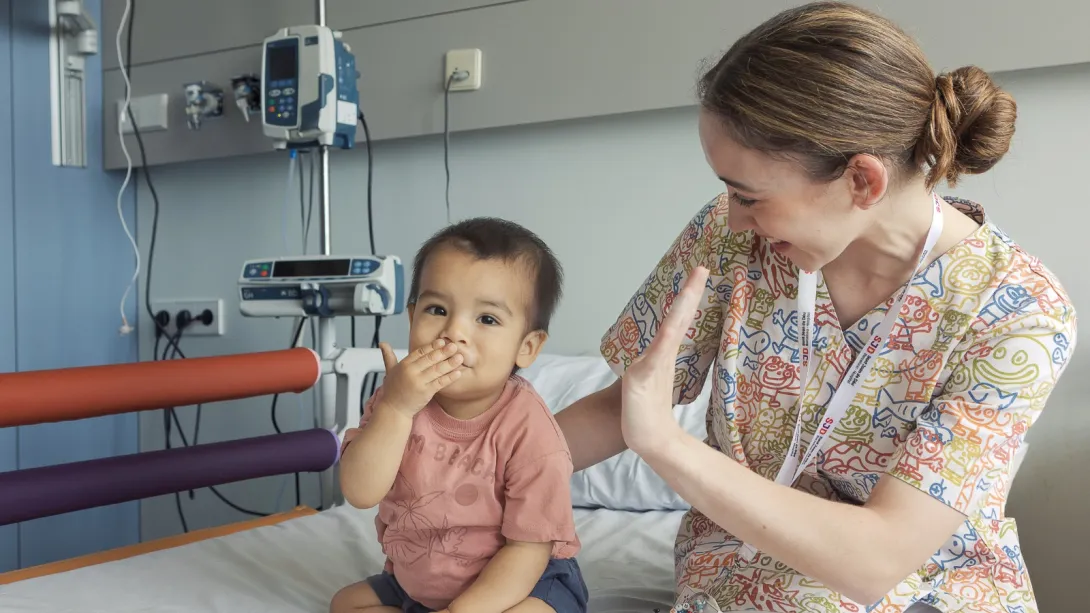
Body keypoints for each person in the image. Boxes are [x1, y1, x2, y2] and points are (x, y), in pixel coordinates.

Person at [554, 3, 1076, 612]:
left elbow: (877, 561)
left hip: (925, 584)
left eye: (749, 196)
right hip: (745, 567)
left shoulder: (1019, 313)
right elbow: (625, 402)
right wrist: (479, 468)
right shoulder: (729, 240)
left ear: (862, 181)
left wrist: (666, 446)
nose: (734, 217)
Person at [330, 218, 588, 613]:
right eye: (437, 310)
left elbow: (529, 548)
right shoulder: (394, 398)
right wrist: (396, 409)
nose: (453, 332)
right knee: (345, 605)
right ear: (412, 318)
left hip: (520, 583)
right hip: (419, 579)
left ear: (527, 347)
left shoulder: (529, 430)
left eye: (486, 319)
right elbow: (360, 492)